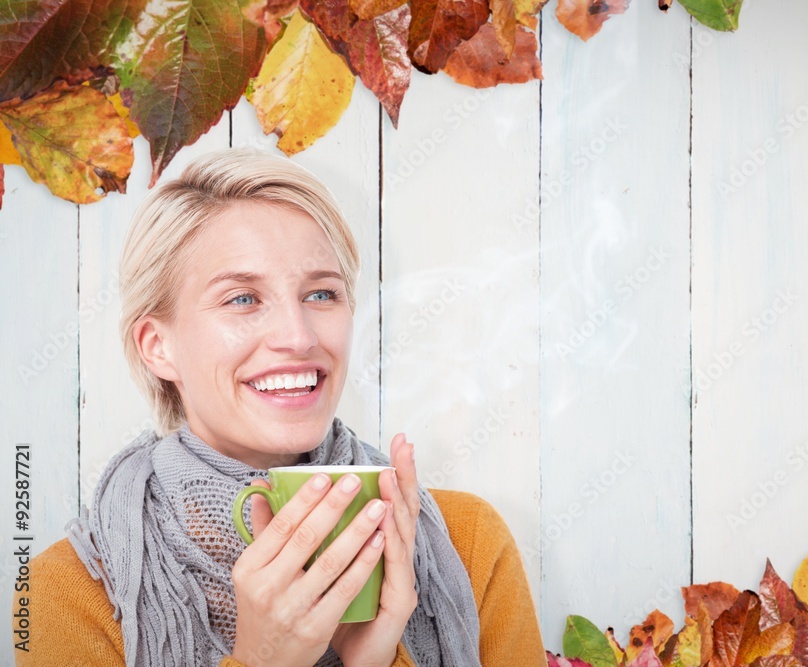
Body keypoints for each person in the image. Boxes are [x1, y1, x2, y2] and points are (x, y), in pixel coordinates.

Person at [13, 149, 545, 667]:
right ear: (158, 346)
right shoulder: (65, 594)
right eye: (242, 298)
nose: (298, 336)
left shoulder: (470, 545)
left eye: (321, 294)